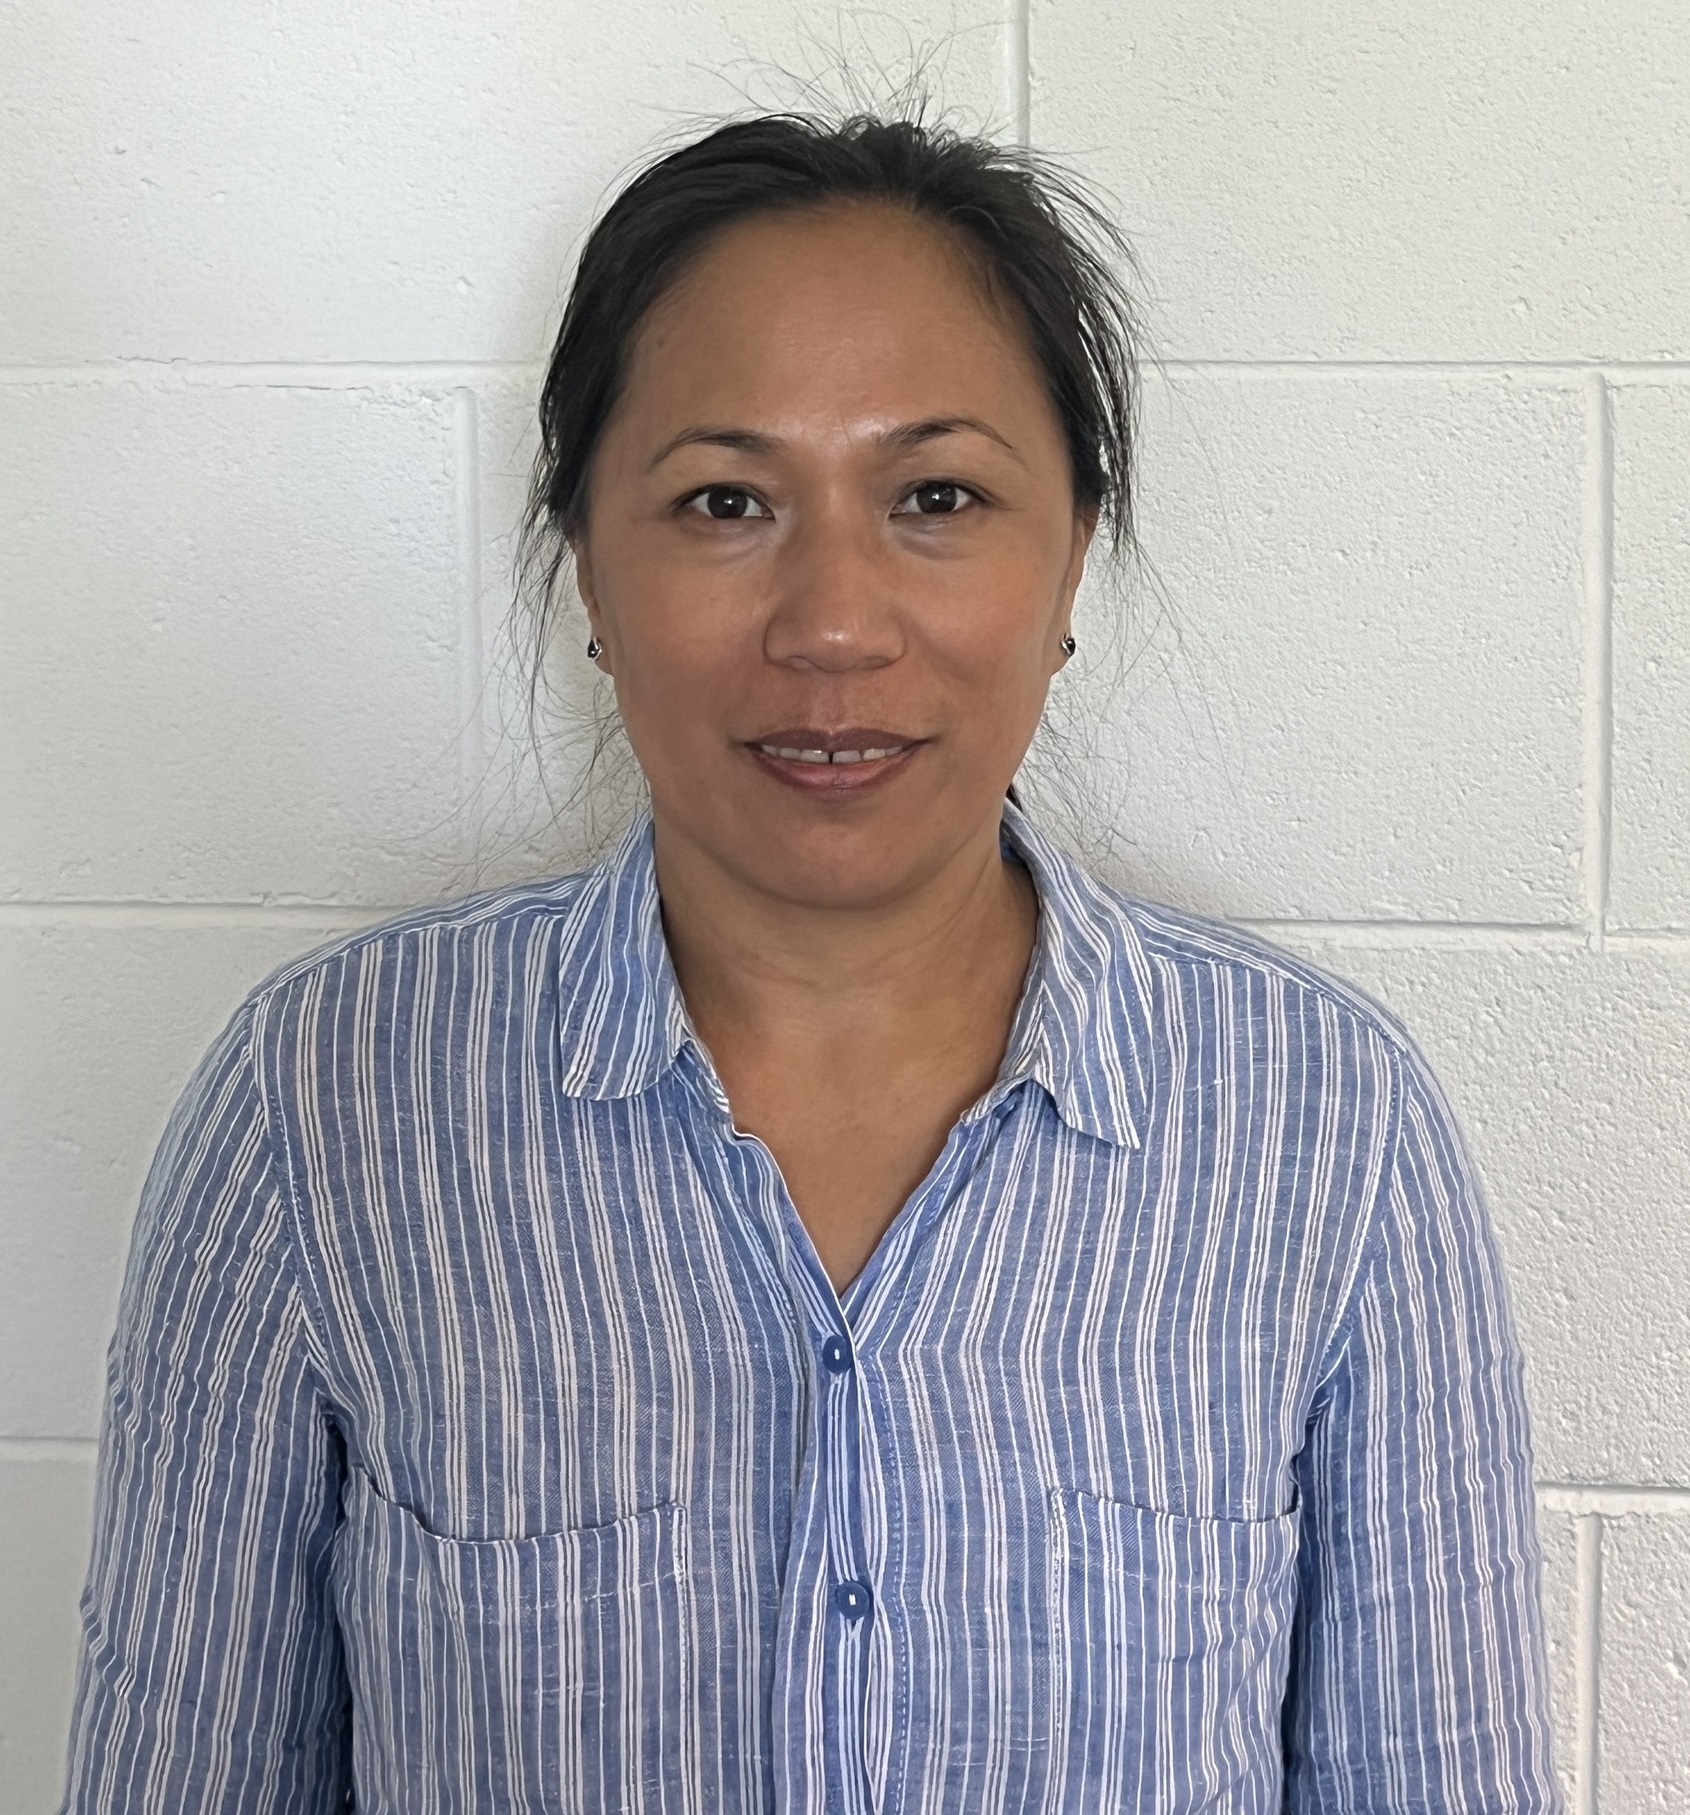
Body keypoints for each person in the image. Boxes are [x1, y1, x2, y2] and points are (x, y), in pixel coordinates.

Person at [61, 109, 1559, 1813]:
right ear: (588, 572)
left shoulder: (1324, 1129)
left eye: (936, 497)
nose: (833, 623)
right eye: (724, 500)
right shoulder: (323, 1108)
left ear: (1069, 558)